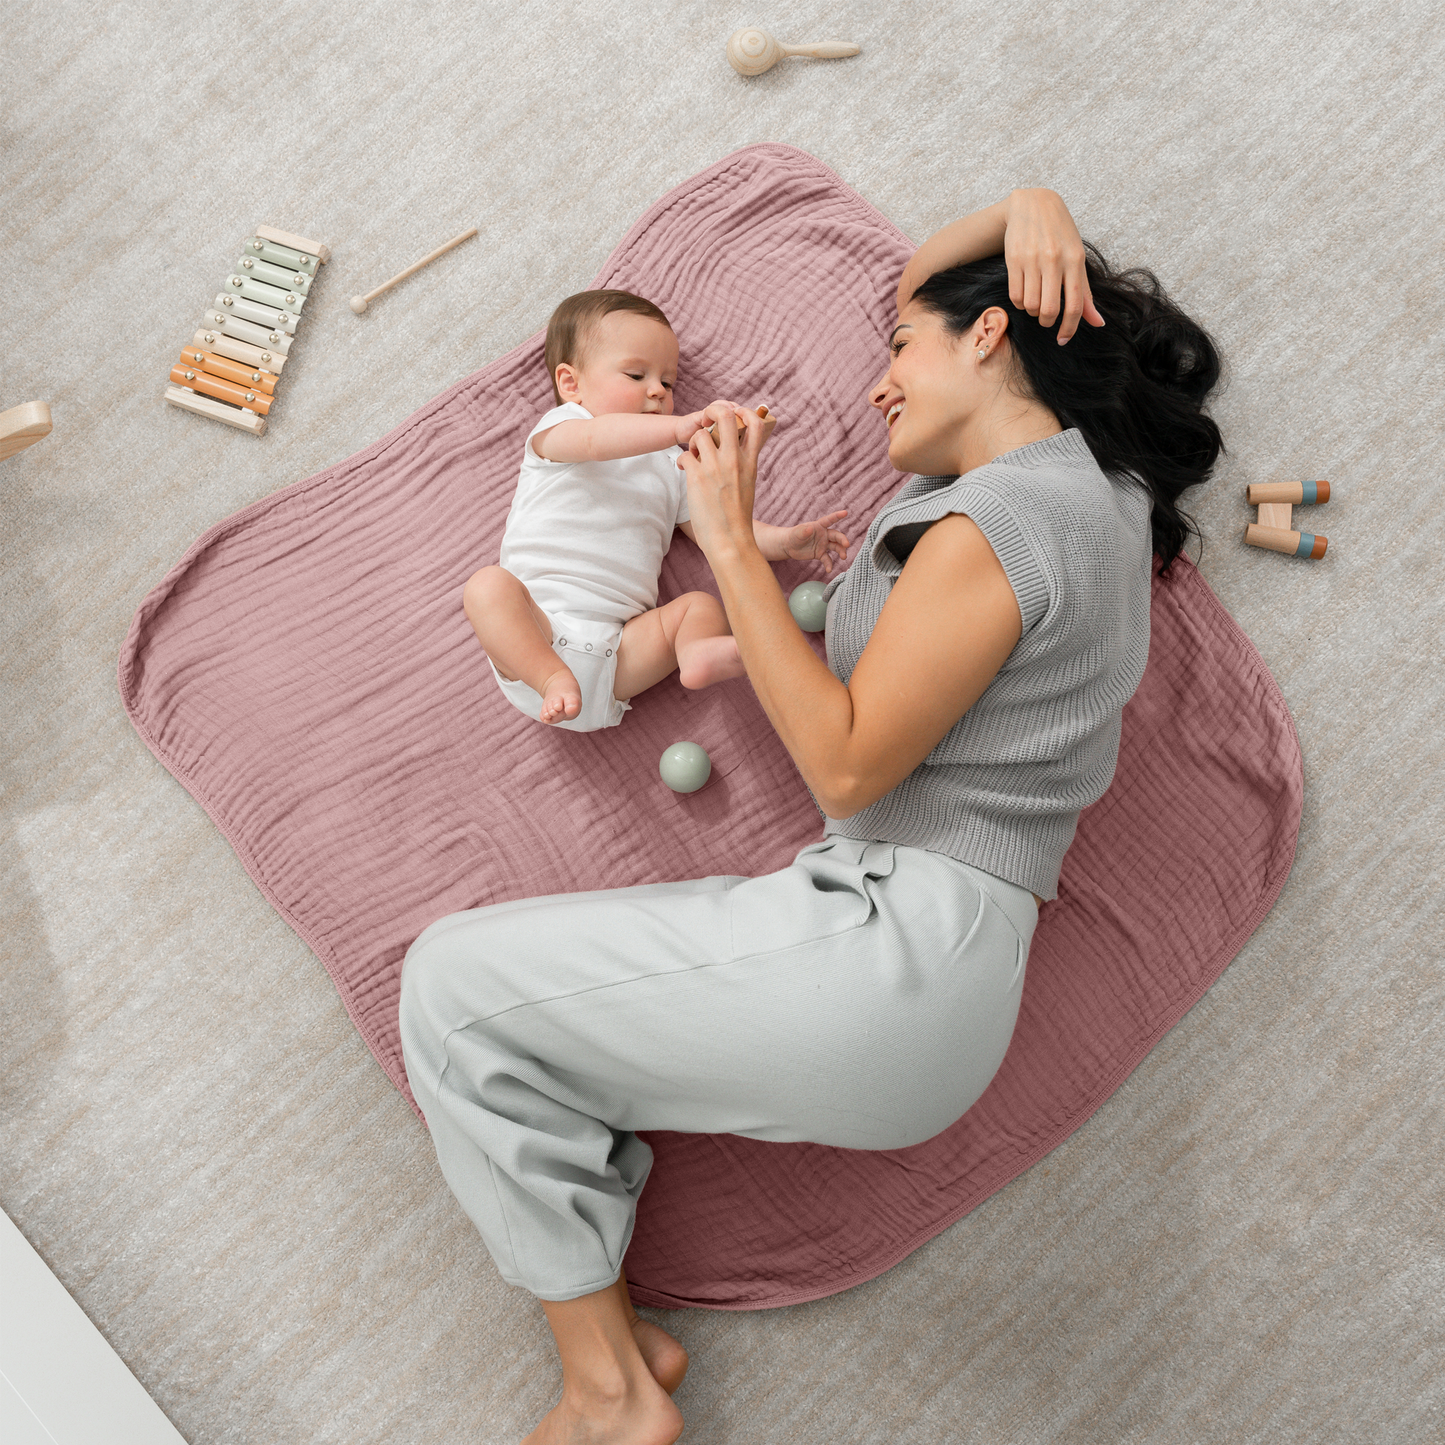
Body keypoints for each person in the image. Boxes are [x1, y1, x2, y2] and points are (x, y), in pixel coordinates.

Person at [399, 188, 1223, 1444]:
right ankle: (616, 1340)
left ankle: (609, 1392)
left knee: (448, 984)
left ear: (993, 335)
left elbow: (844, 768)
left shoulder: (1007, 517)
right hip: (913, 960)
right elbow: (925, 283)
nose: (879, 383)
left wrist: (728, 541)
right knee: (515, 1026)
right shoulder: (1091, 501)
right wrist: (1027, 204)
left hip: (890, 948)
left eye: (899, 353)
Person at [463, 289, 850, 729]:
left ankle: (699, 654)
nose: (657, 391)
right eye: (635, 375)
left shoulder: (674, 466)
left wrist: (785, 541)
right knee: (488, 588)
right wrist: (678, 427)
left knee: (698, 608)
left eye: (668, 384)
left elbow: (718, 531)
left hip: (619, 655)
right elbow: (598, 441)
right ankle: (552, 677)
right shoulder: (560, 431)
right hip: (536, 634)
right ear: (571, 385)